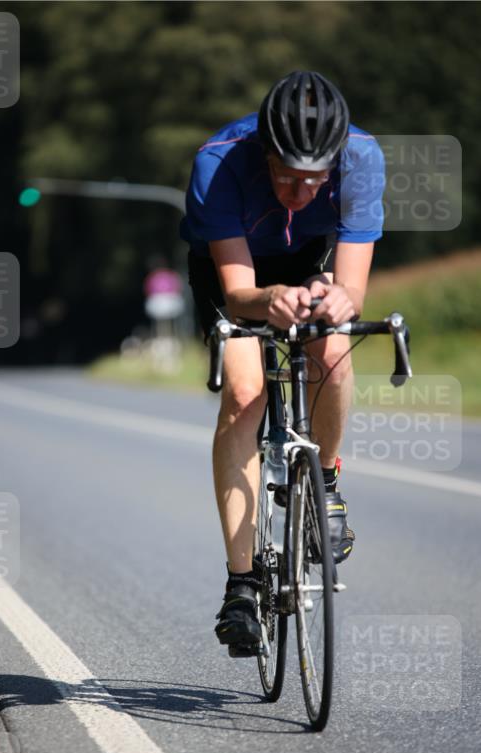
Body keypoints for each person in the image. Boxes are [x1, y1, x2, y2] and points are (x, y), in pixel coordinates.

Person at [180, 70, 385, 655]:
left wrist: (335, 297)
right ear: (264, 155)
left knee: (334, 352)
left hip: (307, 264)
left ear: (336, 163)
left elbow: (351, 289)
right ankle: (242, 584)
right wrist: (269, 300)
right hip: (236, 274)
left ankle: (324, 483)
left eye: (312, 181)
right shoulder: (218, 164)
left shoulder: (363, 159)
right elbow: (241, 292)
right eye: (284, 178)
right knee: (246, 393)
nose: (298, 193)